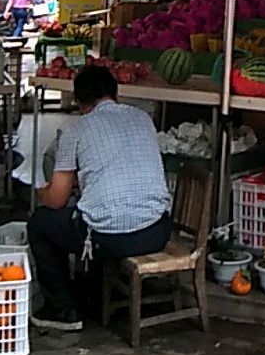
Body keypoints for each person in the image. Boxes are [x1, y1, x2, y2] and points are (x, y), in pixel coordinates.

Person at [27, 64, 173, 331]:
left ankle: (63, 309)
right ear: (115, 93)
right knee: (94, 213)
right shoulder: (143, 119)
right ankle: (94, 291)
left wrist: (41, 191)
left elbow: (57, 199)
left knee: (40, 223)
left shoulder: (76, 131)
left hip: (110, 238)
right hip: (156, 231)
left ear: (80, 102)